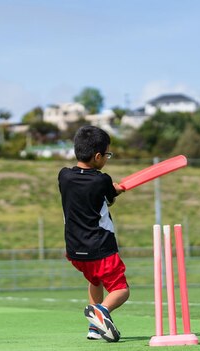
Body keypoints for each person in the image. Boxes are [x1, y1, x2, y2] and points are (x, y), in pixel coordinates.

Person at [58, 126, 128, 342]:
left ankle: (94, 328)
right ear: (97, 156)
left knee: (95, 281)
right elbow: (108, 198)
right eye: (107, 154)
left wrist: (109, 191)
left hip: (75, 251)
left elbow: (90, 198)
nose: (107, 158)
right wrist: (115, 191)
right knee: (121, 290)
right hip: (101, 247)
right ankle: (101, 312)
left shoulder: (64, 176)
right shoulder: (102, 180)